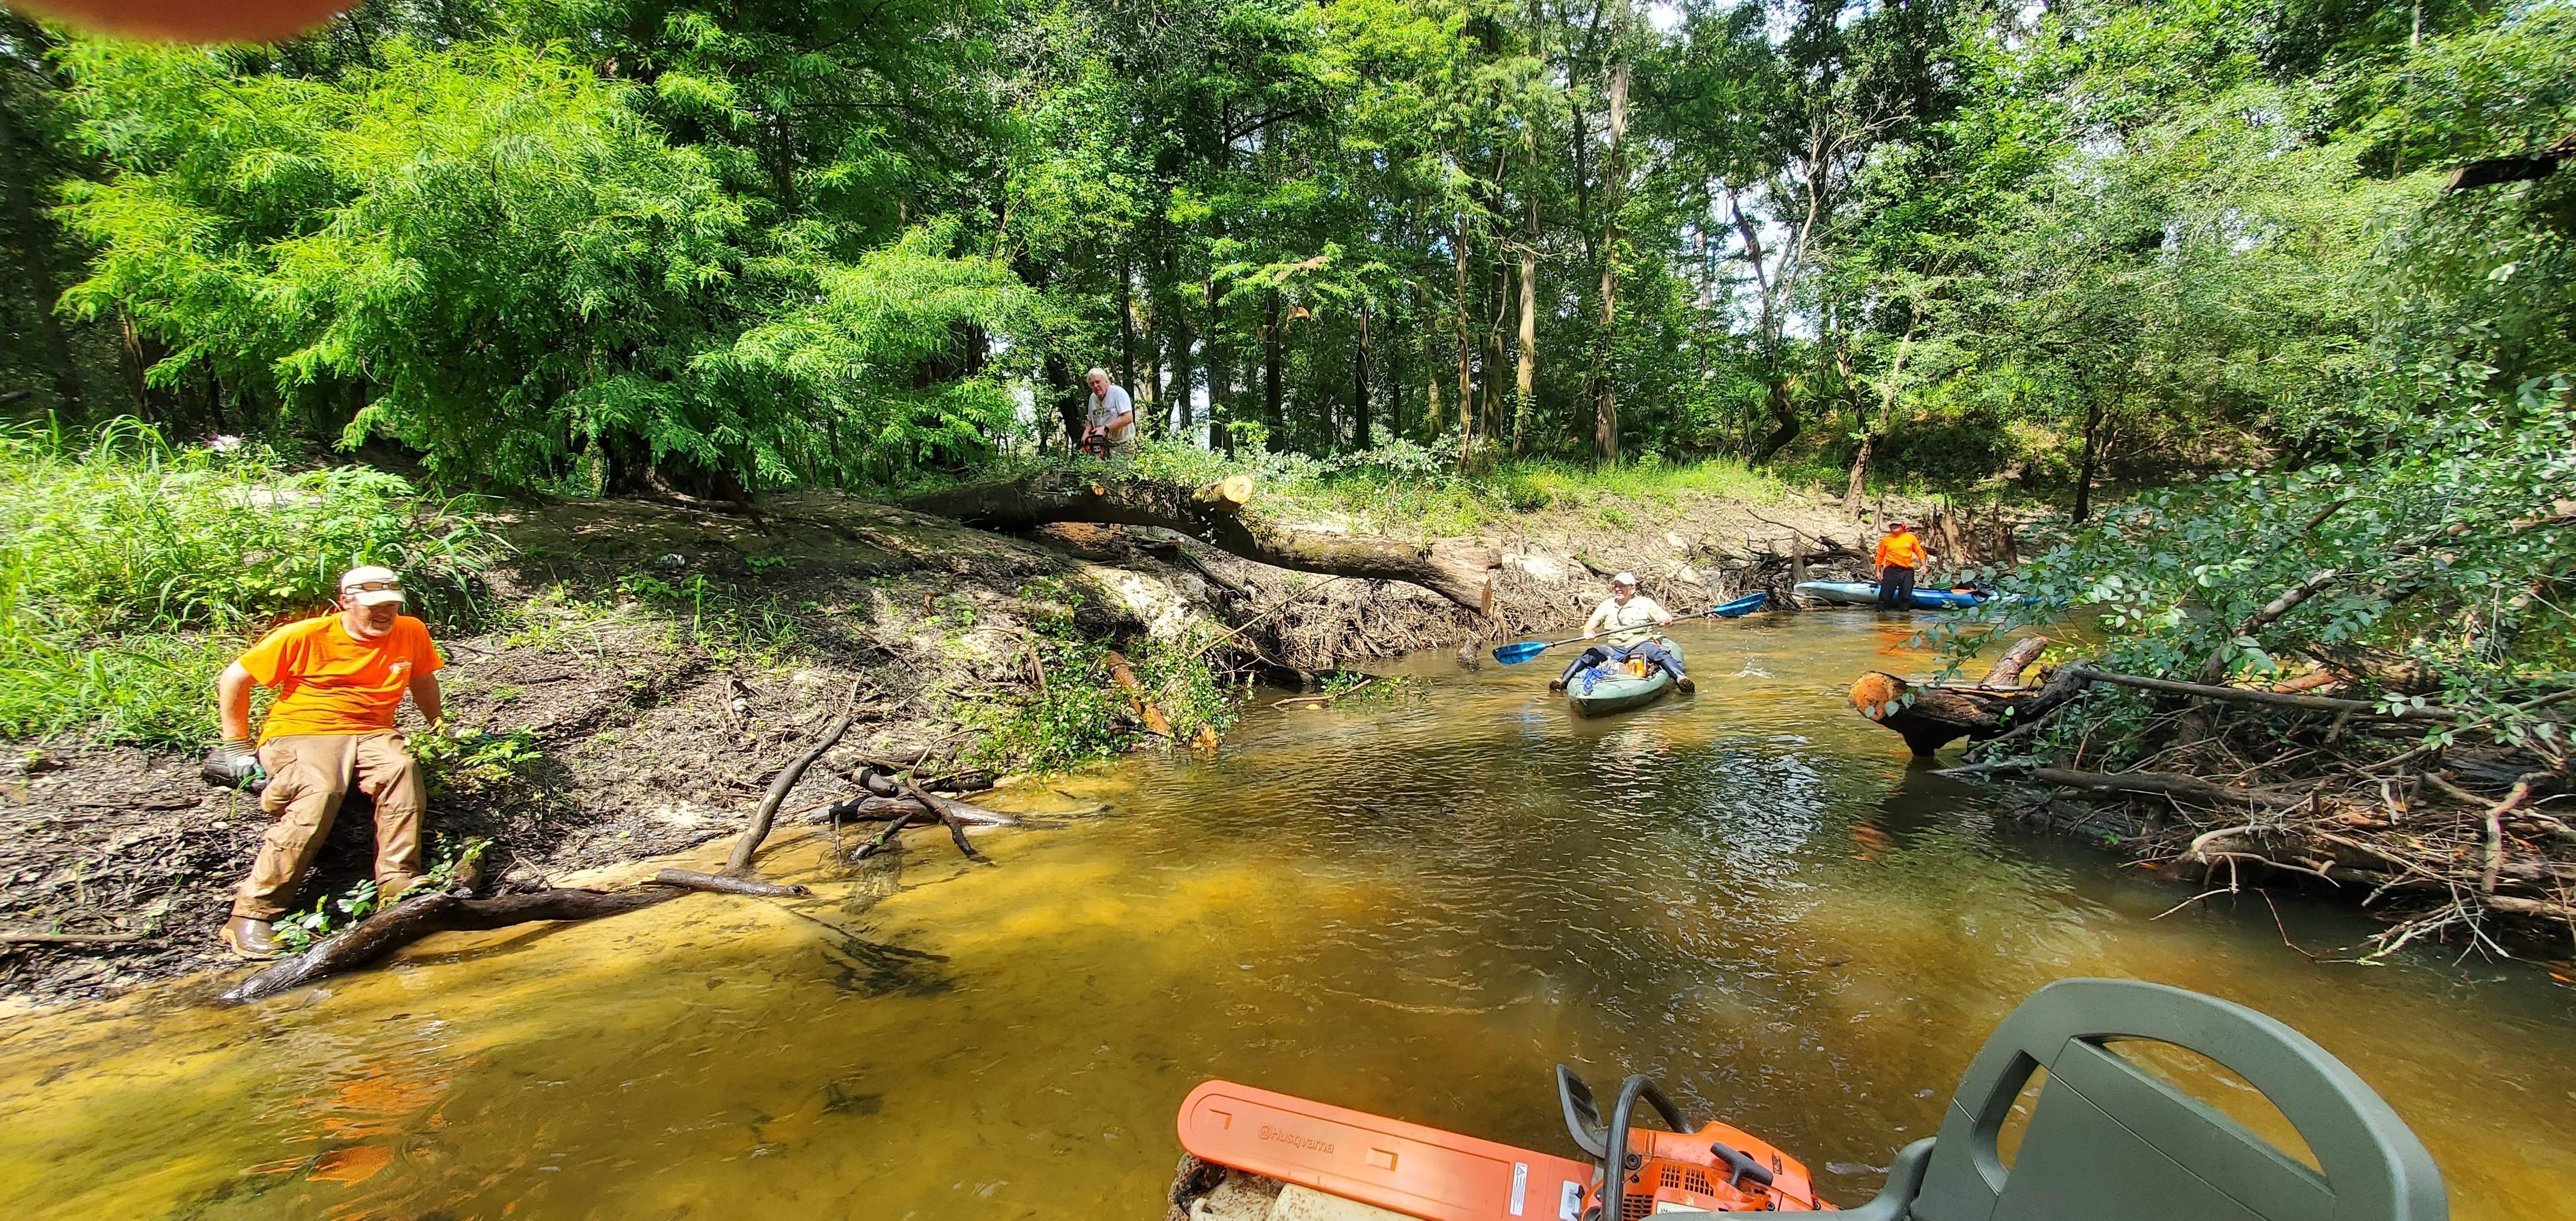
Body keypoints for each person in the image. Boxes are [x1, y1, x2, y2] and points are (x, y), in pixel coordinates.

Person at [201, 565, 446, 959]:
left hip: (373, 731)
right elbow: (234, 678)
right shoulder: (305, 635)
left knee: (400, 770)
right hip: (303, 730)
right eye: (373, 606)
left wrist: (439, 727)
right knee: (320, 790)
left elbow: (422, 680)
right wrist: (235, 746)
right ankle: (252, 913)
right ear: (346, 602)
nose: (383, 614)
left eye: (390, 606)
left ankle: (399, 879)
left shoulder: (411, 631)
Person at [1549, 572, 1694, 695]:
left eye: (1622, 586)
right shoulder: (1607, 605)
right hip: (1615, 647)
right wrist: (1589, 631)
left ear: (1632, 589)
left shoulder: (1646, 603)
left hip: (1641, 643)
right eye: (1616, 586)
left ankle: (1681, 678)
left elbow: (1665, 618)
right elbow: (1590, 624)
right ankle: (1562, 680)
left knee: (1659, 654)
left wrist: (1667, 620)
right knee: (1589, 654)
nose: (1618, 589)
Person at [1874, 519, 1934, 610]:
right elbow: (1880, 556)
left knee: (1906, 596)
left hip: (1907, 571)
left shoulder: (1910, 538)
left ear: (1903, 527)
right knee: (1885, 596)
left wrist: (1924, 565)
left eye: (1897, 525)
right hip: (1891, 570)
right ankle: (1881, 616)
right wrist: (1878, 571)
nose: (1895, 527)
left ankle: (1904, 618)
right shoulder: (1886, 540)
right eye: (1893, 526)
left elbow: (1919, 552)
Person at [1082, 367, 1138, 459]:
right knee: (1099, 472)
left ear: (1106, 381)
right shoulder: (1092, 398)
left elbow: (1128, 418)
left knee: (1120, 473)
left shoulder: (1118, 393)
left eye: (1098, 382)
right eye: (1092, 384)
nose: (1096, 386)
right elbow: (1091, 420)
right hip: (1102, 446)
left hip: (1123, 445)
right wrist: (1086, 434)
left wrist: (1106, 429)